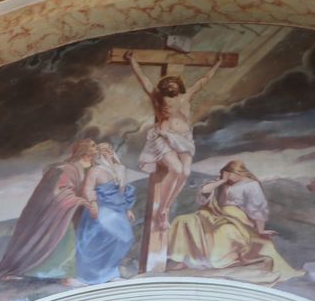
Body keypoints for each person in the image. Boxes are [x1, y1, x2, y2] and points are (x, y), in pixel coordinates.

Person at [127, 50, 225, 230]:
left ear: (179, 86)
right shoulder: (158, 98)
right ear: (163, 87)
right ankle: (161, 211)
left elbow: (203, 81)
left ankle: (166, 207)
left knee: (185, 172)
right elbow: (144, 80)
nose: (170, 85)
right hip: (164, 137)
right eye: (167, 84)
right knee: (176, 169)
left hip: (185, 138)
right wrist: (132, 60)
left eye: (173, 83)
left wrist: (217, 64)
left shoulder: (186, 97)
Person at [167, 159, 302, 285]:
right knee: (183, 220)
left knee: (225, 230)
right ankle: (184, 260)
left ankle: (224, 261)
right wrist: (222, 181)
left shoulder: (251, 184)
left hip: (236, 216)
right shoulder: (221, 183)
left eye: (229, 174)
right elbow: (204, 191)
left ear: (239, 173)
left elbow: (258, 208)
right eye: (224, 174)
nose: (227, 177)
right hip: (212, 213)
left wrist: (260, 230)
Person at [0, 139, 98, 285]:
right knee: (66, 236)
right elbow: (60, 191)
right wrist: (78, 200)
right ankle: (65, 276)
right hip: (60, 211)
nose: (96, 147)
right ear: (84, 149)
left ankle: (85, 272)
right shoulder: (69, 168)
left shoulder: (94, 167)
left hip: (80, 211)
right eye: (93, 145)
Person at [75, 143, 137, 284]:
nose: (108, 151)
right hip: (102, 208)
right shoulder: (95, 170)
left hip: (119, 209)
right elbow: (88, 189)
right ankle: (95, 275)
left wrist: (128, 209)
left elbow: (124, 191)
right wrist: (93, 204)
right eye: (103, 149)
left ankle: (110, 271)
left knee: (126, 238)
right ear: (98, 154)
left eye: (109, 148)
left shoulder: (120, 169)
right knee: (103, 240)